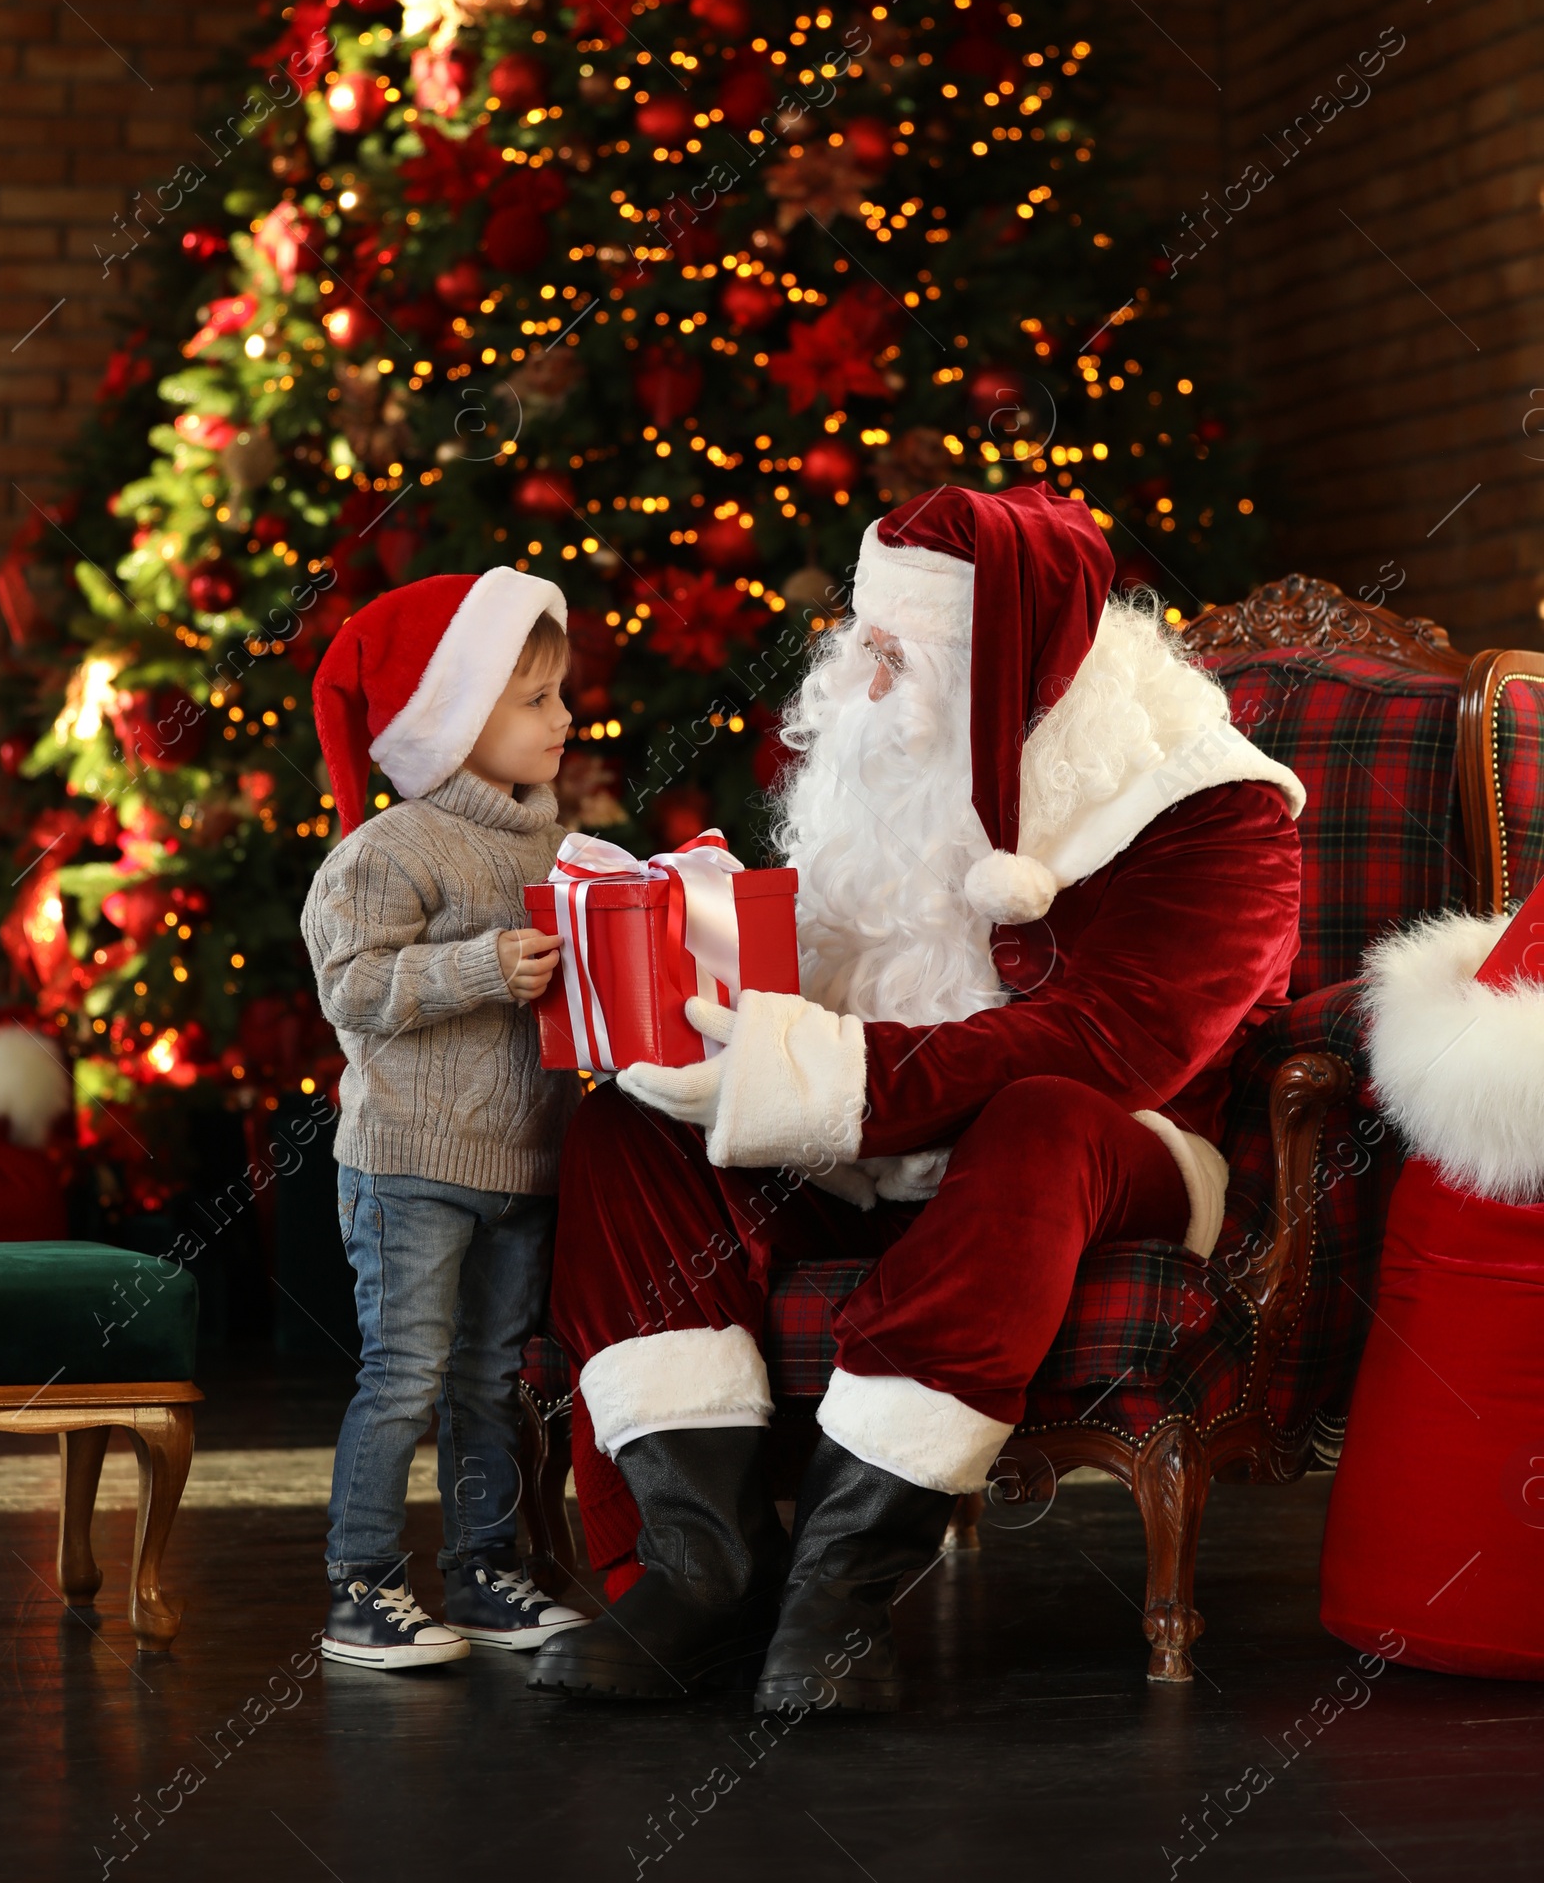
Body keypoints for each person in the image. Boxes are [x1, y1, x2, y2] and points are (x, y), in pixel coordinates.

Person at [532, 483, 1304, 1711]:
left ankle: (841, 1592)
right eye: (863, 639)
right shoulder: (887, 750)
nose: (859, 677)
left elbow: (1116, 1043)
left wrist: (822, 1077)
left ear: (1002, 669)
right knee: (632, 1127)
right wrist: (715, 965)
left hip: (1116, 1158)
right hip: (869, 1150)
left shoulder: (1212, 805)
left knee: (1041, 1115)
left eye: (899, 653)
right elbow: (827, 967)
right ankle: (706, 1572)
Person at [302, 567, 590, 1670]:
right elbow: (353, 991)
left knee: (487, 1380)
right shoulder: (391, 849)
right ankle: (362, 1587)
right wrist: (479, 968)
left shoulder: (556, 851)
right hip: (412, 1162)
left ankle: (483, 1571)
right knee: (404, 1376)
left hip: (525, 1161)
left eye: (562, 694)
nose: (565, 719)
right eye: (536, 699)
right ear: (453, 718)